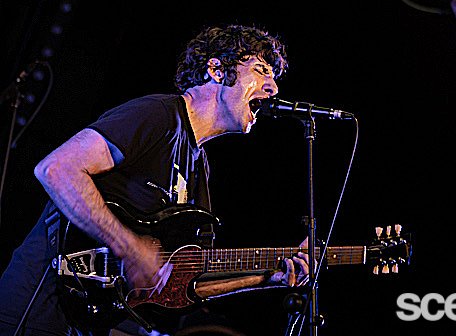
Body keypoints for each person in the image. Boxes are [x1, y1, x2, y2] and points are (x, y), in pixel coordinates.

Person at [0, 24, 311, 336]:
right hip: (37, 310)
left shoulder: (199, 165)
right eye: (261, 70)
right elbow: (56, 169)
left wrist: (267, 279)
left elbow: (183, 283)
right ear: (216, 70)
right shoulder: (158, 116)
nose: (273, 88)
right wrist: (129, 247)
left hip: (92, 322)